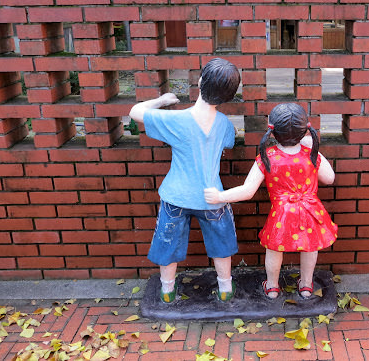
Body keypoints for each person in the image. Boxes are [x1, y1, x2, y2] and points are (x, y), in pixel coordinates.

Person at [129, 58, 241, 303]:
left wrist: (161, 101)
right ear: (228, 96)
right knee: (222, 244)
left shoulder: (177, 121)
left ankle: (167, 291)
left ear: (200, 82)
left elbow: (135, 112)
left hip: (176, 197)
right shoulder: (224, 124)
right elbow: (231, 142)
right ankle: (225, 289)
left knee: (168, 244)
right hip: (213, 197)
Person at [204, 103, 335, 299]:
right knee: (310, 246)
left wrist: (220, 197)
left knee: (275, 249)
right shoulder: (311, 155)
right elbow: (329, 178)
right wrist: (313, 148)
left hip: (282, 214)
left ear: (272, 132)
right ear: (304, 131)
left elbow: (248, 191)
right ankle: (306, 285)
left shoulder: (267, 157)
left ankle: (272, 287)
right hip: (310, 211)